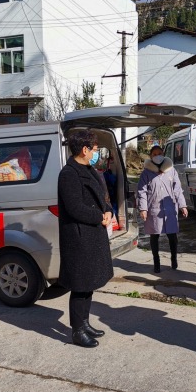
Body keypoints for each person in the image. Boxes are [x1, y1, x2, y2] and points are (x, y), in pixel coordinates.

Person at [57, 130, 113, 348]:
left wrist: (108, 210)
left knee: (88, 283)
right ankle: (77, 331)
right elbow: (74, 207)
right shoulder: (68, 174)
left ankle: (85, 322)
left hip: (93, 234)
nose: (96, 153)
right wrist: (99, 216)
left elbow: (102, 196)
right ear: (84, 150)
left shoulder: (89, 169)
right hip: (79, 237)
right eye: (95, 149)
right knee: (80, 286)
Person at [137, 145, 188, 273]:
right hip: (153, 209)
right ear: (151, 156)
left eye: (160, 153)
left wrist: (183, 205)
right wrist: (143, 209)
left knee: (172, 236)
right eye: (154, 154)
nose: (157, 156)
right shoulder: (146, 173)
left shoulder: (171, 170)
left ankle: (174, 259)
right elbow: (141, 192)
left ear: (164, 154)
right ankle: (156, 262)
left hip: (170, 209)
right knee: (154, 236)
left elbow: (177, 190)